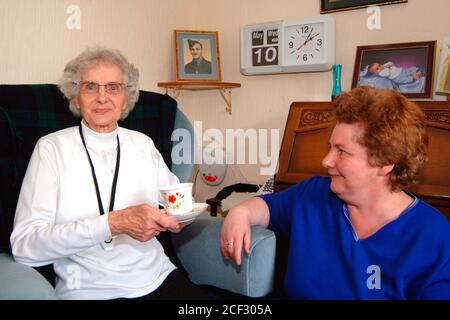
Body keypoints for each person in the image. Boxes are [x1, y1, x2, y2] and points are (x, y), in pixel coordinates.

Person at [10, 47, 207, 300]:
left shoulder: (143, 144)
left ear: (126, 98)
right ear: (76, 96)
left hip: (158, 278)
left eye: (113, 87)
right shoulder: (51, 149)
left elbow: (177, 204)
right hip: (88, 290)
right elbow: (26, 246)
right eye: (91, 87)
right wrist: (112, 224)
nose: (102, 97)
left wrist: (181, 215)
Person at [220, 86, 450, 300]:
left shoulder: (435, 240)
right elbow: (266, 207)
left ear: (385, 163)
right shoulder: (313, 195)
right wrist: (240, 213)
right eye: (330, 147)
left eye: (342, 151)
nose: (326, 160)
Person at [359, 62, 425, 94]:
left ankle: (416, 71)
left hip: (401, 71)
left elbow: (391, 62)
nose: (380, 67)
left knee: (408, 71)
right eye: (377, 69)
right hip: (397, 78)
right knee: (405, 79)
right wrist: (386, 68)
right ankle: (413, 77)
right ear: (375, 73)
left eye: (379, 65)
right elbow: (387, 73)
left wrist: (386, 65)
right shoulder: (381, 73)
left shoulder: (384, 66)